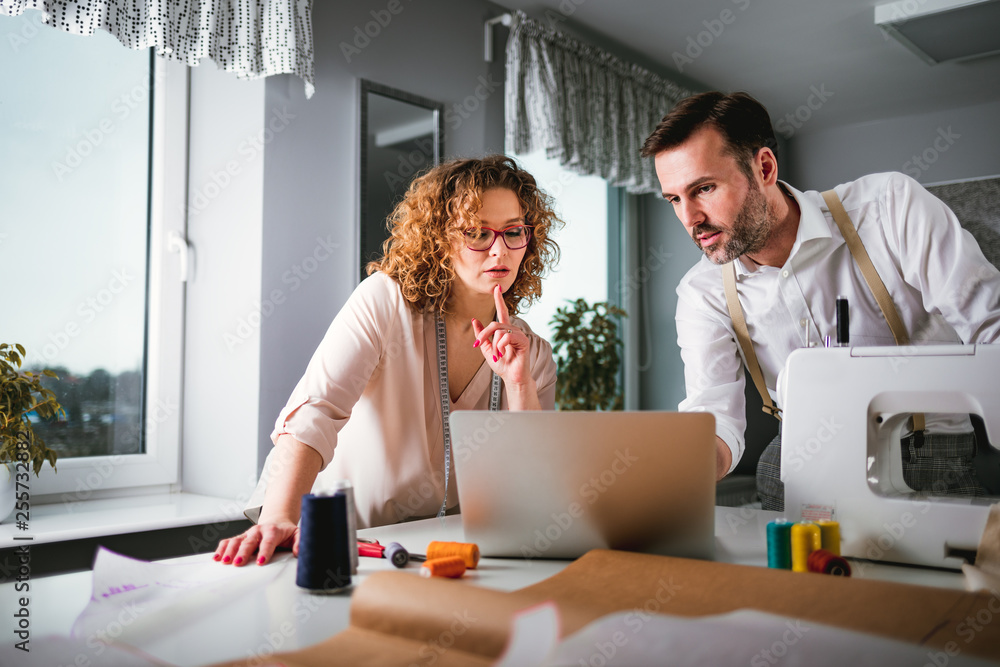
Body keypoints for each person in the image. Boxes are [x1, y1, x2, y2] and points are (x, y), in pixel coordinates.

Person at [640, 91, 1000, 509]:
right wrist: (680, 468)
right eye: (674, 199)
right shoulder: (702, 292)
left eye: (703, 188)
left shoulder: (888, 208)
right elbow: (714, 415)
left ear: (764, 168)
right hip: (794, 462)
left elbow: (991, 325)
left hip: (926, 452)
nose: (690, 218)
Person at [215, 155, 561, 566]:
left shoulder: (531, 353)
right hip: (345, 545)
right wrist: (278, 517)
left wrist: (519, 384)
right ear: (439, 237)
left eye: (513, 231)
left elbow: (531, 493)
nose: (499, 249)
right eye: (477, 233)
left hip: (442, 553)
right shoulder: (385, 300)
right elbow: (317, 411)